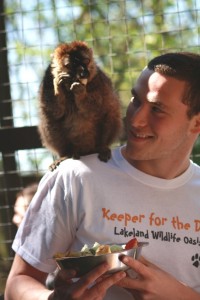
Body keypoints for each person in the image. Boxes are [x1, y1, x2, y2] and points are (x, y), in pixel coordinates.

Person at [4, 52, 200, 300]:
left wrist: (177, 294)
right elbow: (18, 283)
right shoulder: (76, 178)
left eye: (157, 109)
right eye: (135, 100)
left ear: (196, 123)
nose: (135, 118)